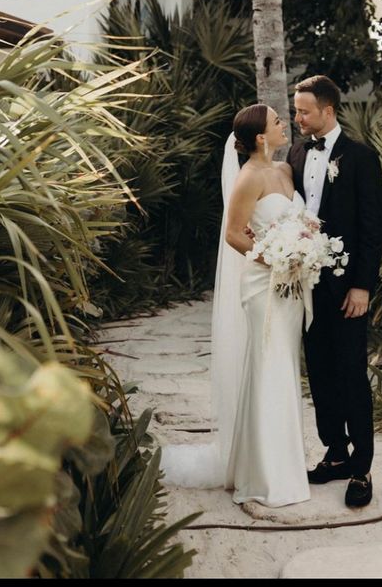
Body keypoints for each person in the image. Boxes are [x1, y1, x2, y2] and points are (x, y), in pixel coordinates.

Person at [161, 103, 310, 507]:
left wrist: (304, 247)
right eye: (277, 121)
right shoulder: (247, 178)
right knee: (267, 370)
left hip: (292, 287)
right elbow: (233, 235)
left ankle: (286, 466)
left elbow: (297, 222)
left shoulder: (284, 171)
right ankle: (261, 475)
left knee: (286, 369)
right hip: (264, 285)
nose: (284, 124)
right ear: (261, 137)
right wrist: (275, 256)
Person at [288, 75, 382, 508]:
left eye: (304, 111)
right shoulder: (294, 153)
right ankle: (335, 453)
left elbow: (372, 228)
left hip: (348, 288)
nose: (297, 117)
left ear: (327, 111)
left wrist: (363, 285)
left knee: (350, 375)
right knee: (321, 372)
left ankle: (361, 468)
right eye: (295, 110)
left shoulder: (361, 157)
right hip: (306, 288)